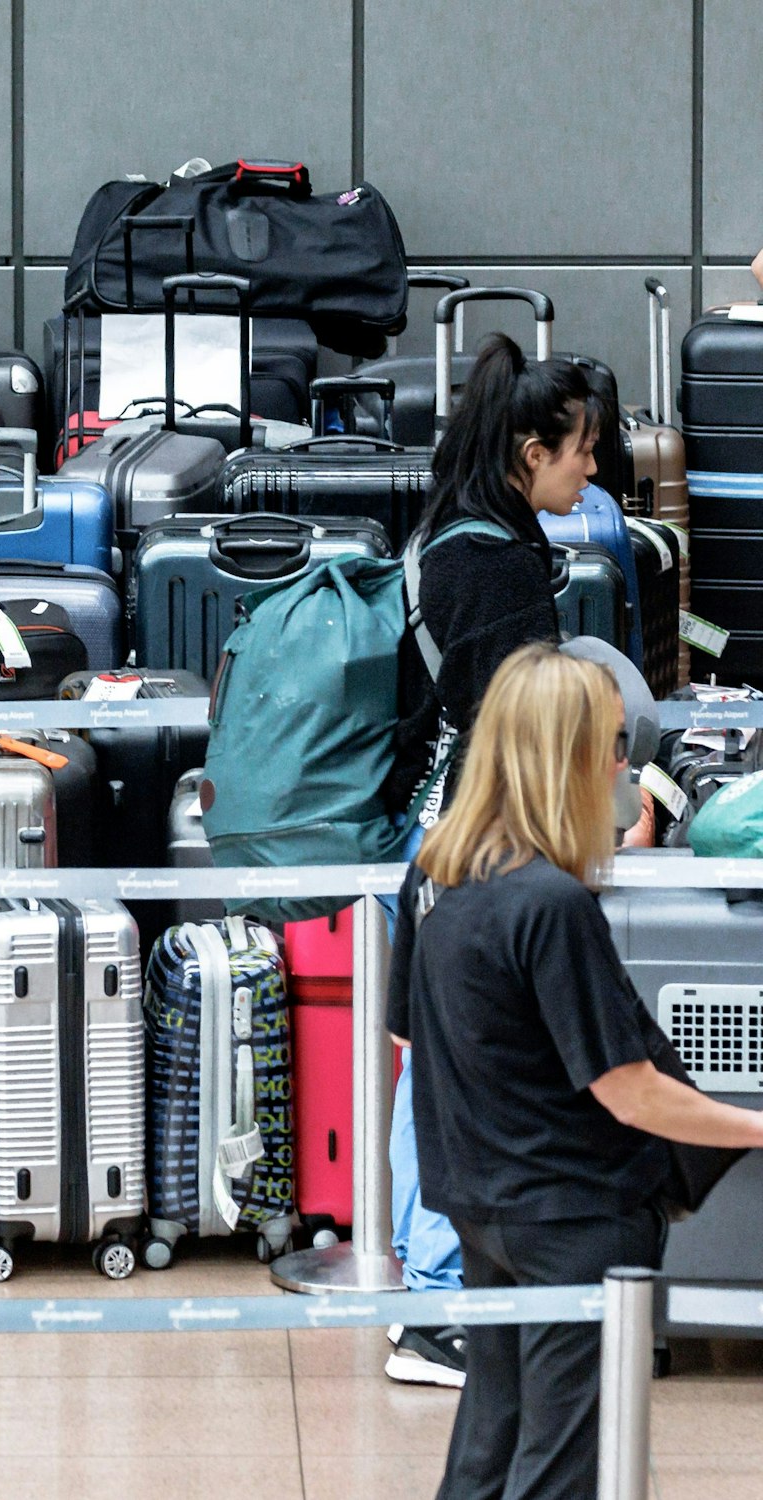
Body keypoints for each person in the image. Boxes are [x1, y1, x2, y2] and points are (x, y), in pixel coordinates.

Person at [389, 643, 763, 1500]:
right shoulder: (551, 905)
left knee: (491, 1432)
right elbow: (625, 1088)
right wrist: (753, 1126)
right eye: (614, 746)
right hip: (570, 1211)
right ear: (569, 757)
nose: (625, 767)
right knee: (560, 1457)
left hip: (480, 1200)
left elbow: (407, 1035)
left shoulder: (436, 871)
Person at [381, 333, 604, 1387]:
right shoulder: (493, 563)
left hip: (436, 832)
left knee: (436, 1059)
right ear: (528, 451)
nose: (590, 470)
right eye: (580, 451)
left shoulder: (456, 535)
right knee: (446, 1068)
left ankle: (431, 1292)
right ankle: (431, 1310)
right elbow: (503, 725)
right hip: (463, 837)